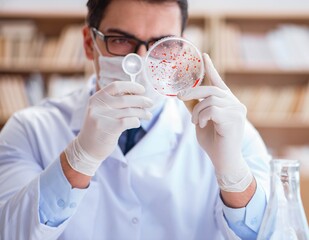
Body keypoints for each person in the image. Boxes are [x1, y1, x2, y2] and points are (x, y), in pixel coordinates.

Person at [0, 0, 271, 239]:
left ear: (179, 50)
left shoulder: (232, 135)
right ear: (88, 43)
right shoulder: (28, 130)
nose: (142, 60)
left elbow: (281, 233)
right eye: (121, 40)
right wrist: (79, 158)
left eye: (160, 44)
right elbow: (10, 232)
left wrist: (233, 175)